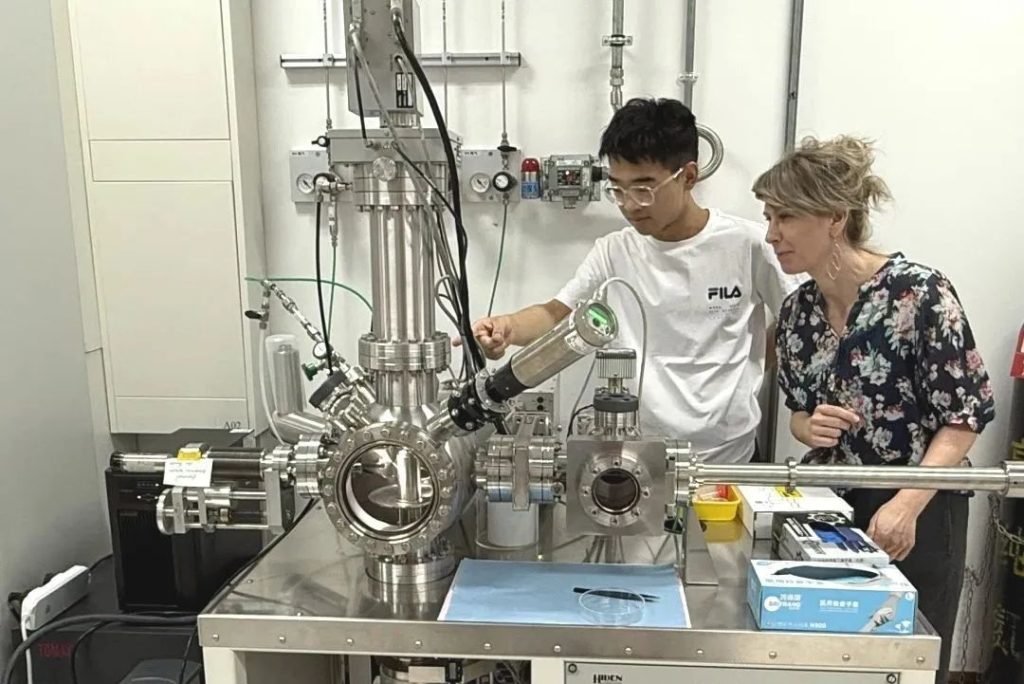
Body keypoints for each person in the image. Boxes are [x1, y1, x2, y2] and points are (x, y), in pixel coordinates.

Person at [754, 135, 995, 683]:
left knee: (910, 658)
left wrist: (906, 505)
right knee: (828, 661)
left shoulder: (919, 294)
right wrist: (808, 425)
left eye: (786, 216)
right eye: (768, 217)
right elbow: (797, 413)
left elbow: (964, 416)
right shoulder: (797, 312)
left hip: (921, 500)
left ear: (835, 218)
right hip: (827, 508)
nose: (771, 234)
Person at [458, 97, 800, 462]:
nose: (629, 205)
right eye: (617, 190)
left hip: (730, 457)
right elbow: (555, 314)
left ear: (688, 176)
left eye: (643, 188)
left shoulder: (748, 245)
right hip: (641, 459)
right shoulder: (614, 251)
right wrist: (508, 327)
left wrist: (750, 364)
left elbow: (799, 322)